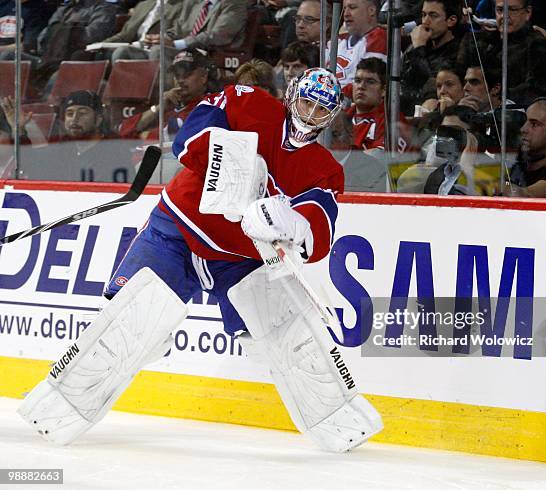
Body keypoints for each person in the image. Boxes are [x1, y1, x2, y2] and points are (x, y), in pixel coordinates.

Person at [19, 68, 383, 452]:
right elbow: (193, 134)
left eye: (321, 110)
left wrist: (291, 223)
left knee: (288, 333)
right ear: (292, 94)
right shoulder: (249, 102)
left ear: (331, 116)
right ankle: (60, 407)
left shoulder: (324, 169)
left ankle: (337, 417)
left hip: (241, 259)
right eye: (306, 101)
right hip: (177, 230)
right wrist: (228, 167)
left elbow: (319, 229)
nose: (309, 114)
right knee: (129, 320)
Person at [21, 90, 135, 183]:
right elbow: (38, 170)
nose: (74, 119)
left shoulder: (113, 150)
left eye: (82, 113)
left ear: (98, 120)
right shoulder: (64, 147)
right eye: (70, 114)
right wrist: (20, 129)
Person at [457, 0, 546, 103]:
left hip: (513, 112)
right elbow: (457, 78)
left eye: (512, 10)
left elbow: (535, 90)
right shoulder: (476, 41)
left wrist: (493, 97)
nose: (504, 16)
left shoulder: (537, 45)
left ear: (528, 12)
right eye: (500, 10)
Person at [118, 49, 217, 141]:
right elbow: (123, 129)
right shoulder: (169, 105)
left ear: (203, 77)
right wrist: (159, 108)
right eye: (177, 75)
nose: (180, 80)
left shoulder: (211, 105)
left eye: (187, 75)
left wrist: (142, 135)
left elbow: (175, 134)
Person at [400, 0, 463, 114]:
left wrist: (419, 48)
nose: (425, 22)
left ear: (451, 20)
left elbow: (432, 84)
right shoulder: (416, 45)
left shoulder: (458, 51)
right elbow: (403, 81)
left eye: (433, 16)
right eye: (424, 15)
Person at [333, 0, 386, 94]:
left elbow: (366, 86)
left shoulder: (380, 40)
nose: (346, 14)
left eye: (352, 7)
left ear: (371, 11)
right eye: (344, 8)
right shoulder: (337, 41)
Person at [346, 57, 387, 151]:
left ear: (384, 90)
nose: (361, 86)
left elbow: (378, 158)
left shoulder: (390, 121)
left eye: (370, 82)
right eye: (357, 81)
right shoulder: (340, 118)